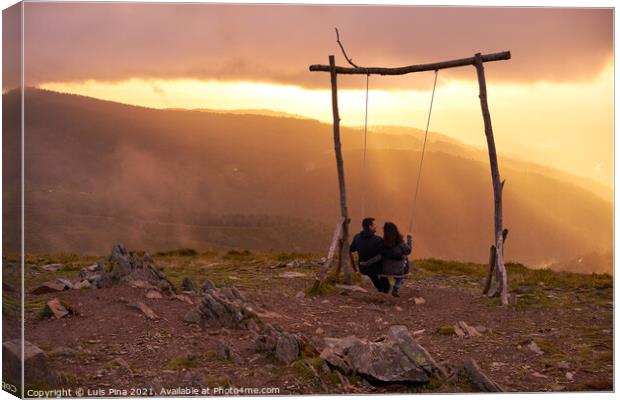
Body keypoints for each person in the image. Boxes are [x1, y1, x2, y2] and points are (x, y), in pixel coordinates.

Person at [349, 217, 384, 292]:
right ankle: (381, 288)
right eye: (375, 225)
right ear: (370, 227)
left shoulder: (357, 237)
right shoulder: (378, 240)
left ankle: (379, 287)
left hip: (362, 268)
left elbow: (351, 249)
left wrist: (359, 240)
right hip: (375, 269)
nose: (376, 226)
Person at [379, 222, 412, 297]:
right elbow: (408, 251)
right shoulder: (400, 243)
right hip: (398, 271)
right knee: (403, 269)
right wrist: (409, 239)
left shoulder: (382, 243)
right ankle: (396, 287)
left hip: (385, 270)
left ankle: (387, 286)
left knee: (395, 266)